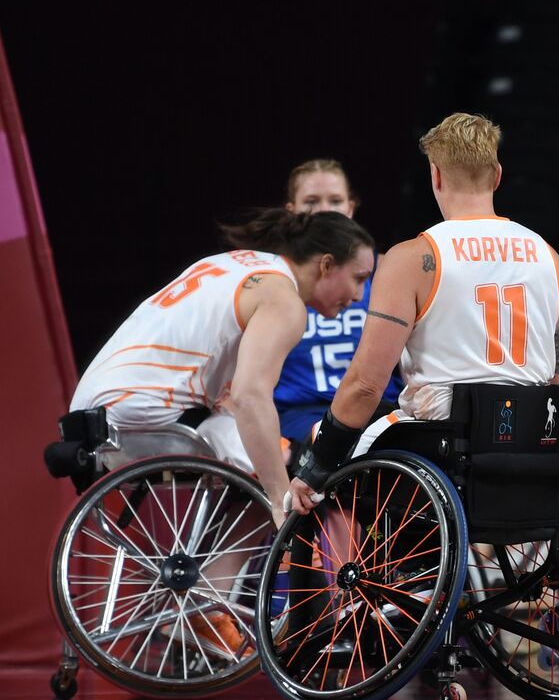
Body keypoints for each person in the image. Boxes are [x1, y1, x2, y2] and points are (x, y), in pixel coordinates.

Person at [287, 112, 559, 511]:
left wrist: (315, 467)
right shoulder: (554, 261)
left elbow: (366, 385)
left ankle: (340, 571)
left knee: (320, 454)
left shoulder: (414, 258)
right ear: (497, 176)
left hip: (440, 445)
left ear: (435, 176)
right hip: (529, 446)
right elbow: (557, 383)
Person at [71, 209, 375, 519]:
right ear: (326, 265)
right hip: (132, 416)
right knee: (299, 475)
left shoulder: (239, 262)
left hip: (92, 411)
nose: (360, 295)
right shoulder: (284, 301)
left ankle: (236, 564)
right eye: (359, 278)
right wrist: (279, 499)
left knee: (265, 456)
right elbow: (249, 396)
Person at [274, 159, 402, 442]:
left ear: (350, 208)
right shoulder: (274, 278)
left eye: (335, 200)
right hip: (300, 415)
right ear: (291, 212)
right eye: (311, 201)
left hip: (376, 409)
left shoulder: (386, 272)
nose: (324, 210)